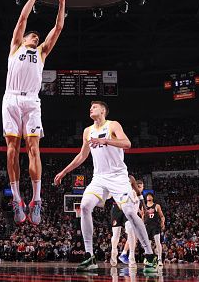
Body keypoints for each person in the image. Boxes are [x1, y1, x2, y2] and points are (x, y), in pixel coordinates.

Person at [54, 101, 159, 273]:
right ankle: (89, 256)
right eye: (90, 107)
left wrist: (105, 140)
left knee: (131, 213)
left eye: (94, 107)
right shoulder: (87, 131)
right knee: (85, 206)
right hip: (99, 178)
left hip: (118, 177)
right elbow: (82, 155)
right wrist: (64, 171)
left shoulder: (113, 125)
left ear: (103, 111)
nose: (90, 108)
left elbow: (127, 144)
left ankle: (149, 255)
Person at [3, 0, 71, 225]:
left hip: (32, 102)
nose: (33, 37)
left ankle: (37, 200)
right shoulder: (15, 47)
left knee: (33, 149)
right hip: (11, 99)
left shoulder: (42, 52)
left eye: (35, 36)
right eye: (31, 35)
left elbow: (59, 28)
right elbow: (22, 19)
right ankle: (17, 200)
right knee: (11, 151)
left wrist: (61, 1)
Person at [109, 176, 141, 267]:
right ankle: (114, 252)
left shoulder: (134, 191)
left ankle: (131, 257)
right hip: (117, 209)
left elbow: (137, 202)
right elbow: (108, 196)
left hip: (128, 209)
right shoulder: (116, 186)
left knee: (130, 230)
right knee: (116, 235)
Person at [143, 192, 165, 267]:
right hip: (147, 226)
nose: (148, 197)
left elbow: (162, 216)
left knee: (157, 242)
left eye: (149, 196)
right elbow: (142, 217)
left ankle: (159, 259)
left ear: (152, 197)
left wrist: (163, 223)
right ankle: (149, 259)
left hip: (155, 226)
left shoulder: (156, 206)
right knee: (147, 244)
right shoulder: (144, 206)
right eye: (147, 196)